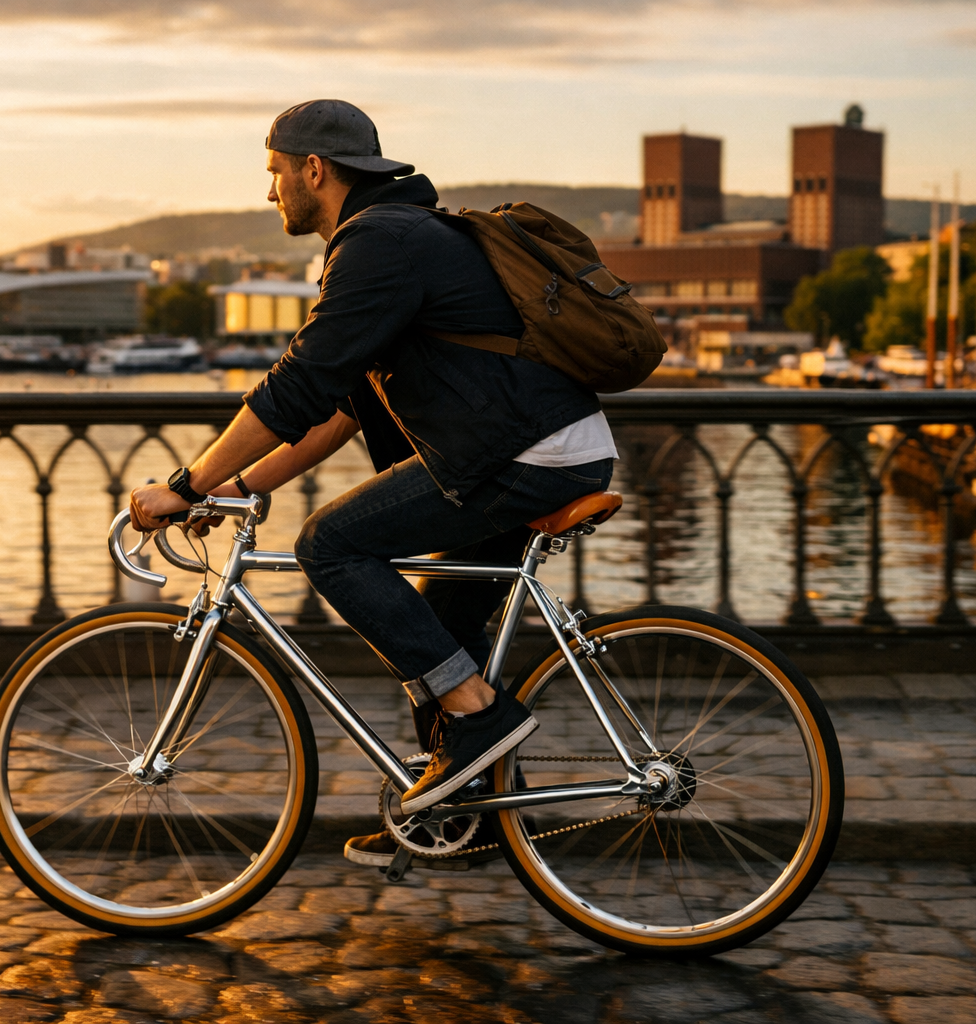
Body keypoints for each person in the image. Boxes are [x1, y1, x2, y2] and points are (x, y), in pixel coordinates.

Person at [129, 99, 617, 867]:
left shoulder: (378, 244)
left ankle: (480, 720)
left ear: (313, 170)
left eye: (274, 173)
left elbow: (299, 386)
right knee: (439, 631)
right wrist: (241, 487)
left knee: (332, 543)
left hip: (520, 455)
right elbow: (344, 409)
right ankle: (473, 812)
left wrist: (188, 484)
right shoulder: (403, 237)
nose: (270, 194)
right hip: (541, 445)